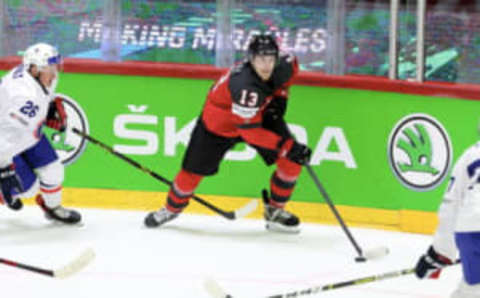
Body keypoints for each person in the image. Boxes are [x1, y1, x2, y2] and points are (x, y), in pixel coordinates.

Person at [144, 34, 311, 233]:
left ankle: (275, 211)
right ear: (251, 59)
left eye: (270, 59)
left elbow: (285, 82)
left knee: (291, 162)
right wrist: (287, 146)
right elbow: (250, 133)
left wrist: (279, 99)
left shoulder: (286, 65)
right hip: (219, 124)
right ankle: (170, 209)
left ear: (277, 57)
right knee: (192, 173)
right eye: (260, 60)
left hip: (258, 114)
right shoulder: (245, 85)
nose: (266, 65)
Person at [0, 42, 81, 224]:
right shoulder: (24, 98)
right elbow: (4, 142)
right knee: (27, 189)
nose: (54, 73)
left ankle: (52, 209)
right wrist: (4, 170)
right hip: (4, 142)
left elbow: (44, 97)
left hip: (25, 134)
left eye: (55, 66)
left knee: (54, 171)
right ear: (35, 69)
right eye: (49, 68)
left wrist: (51, 106)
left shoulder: (38, 77)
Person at [414, 139, 480, 297]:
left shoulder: (471, 154)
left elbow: (451, 204)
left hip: (471, 228)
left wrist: (440, 253)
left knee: (472, 290)